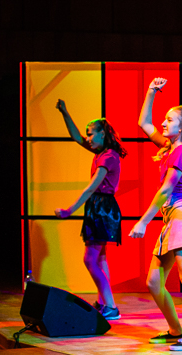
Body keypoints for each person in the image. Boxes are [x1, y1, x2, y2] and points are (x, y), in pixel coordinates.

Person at [130, 77, 182, 351]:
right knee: (154, 281)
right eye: (164, 119)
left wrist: (143, 222)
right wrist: (151, 91)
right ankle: (175, 330)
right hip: (172, 216)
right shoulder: (169, 148)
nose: (163, 123)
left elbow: (167, 189)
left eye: (169, 120)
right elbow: (144, 124)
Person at [54, 100, 126, 320]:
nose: (88, 138)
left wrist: (69, 210)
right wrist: (65, 112)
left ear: (103, 134)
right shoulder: (100, 152)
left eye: (91, 134)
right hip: (99, 206)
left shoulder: (108, 156)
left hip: (103, 207)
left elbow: (91, 188)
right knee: (100, 258)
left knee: (90, 259)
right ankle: (104, 303)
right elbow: (77, 138)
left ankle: (111, 306)